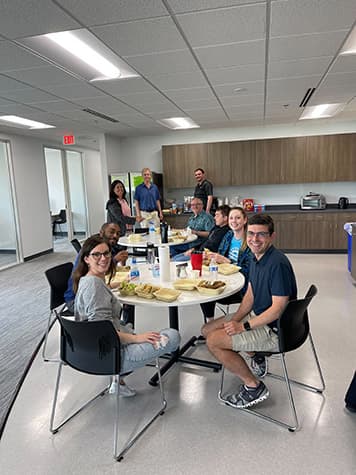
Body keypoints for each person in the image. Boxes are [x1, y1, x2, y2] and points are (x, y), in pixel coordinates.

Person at [201, 214, 297, 409]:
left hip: (275, 330)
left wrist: (242, 326)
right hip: (260, 319)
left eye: (261, 234)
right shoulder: (255, 257)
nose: (254, 239)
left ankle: (254, 386)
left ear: (272, 236)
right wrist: (234, 320)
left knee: (213, 341)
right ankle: (256, 355)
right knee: (207, 329)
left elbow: (278, 309)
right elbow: (250, 296)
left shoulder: (277, 264)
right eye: (251, 234)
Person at [73, 235, 180, 396]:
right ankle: (118, 375)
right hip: (110, 355)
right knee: (173, 336)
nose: (104, 258)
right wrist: (138, 339)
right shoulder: (94, 286)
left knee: (130, 328)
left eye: (107, 253)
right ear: (87, 259)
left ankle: (118, 381)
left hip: (87, 351)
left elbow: (100, 296)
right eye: (97, 254)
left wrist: (117, 284)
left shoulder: (88, 280)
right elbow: (103, 332)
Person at [200, 207, 253, 323]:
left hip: (241, 285)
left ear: (245, 220)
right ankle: (210, 323)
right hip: (225, 276)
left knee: (207, 292)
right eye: (231, 218)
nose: (234, 221)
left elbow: (250, 270)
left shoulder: (250, 240)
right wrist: (212, 257)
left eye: (238, 218)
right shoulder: (229, 235)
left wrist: (226, 261)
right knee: (203, 287)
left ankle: (210, 326)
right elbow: (220, 254)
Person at [64, 223, 128, 313]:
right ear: (101, 232)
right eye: (112, 232)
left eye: (118, 233)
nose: (115, 236)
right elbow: (99, 322)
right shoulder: (92, 247)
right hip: (76, 300)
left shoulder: (104, 245)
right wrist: (115, 259)